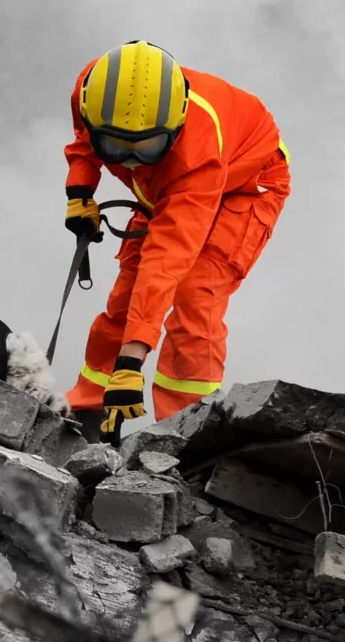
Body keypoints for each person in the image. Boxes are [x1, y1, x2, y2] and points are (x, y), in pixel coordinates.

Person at [63, 41, 290, 441]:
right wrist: (80, 193)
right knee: (127, 297)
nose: (130, 159)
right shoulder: (92, 91)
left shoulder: (196, 156)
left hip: (243, 184)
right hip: (162, 182)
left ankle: (183, 433)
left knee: (194, 299)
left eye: (145, 147)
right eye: (117, 146)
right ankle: (92, 408)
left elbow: (168, 257)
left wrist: (132, 361)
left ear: (174, 127)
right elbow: (85, 141)